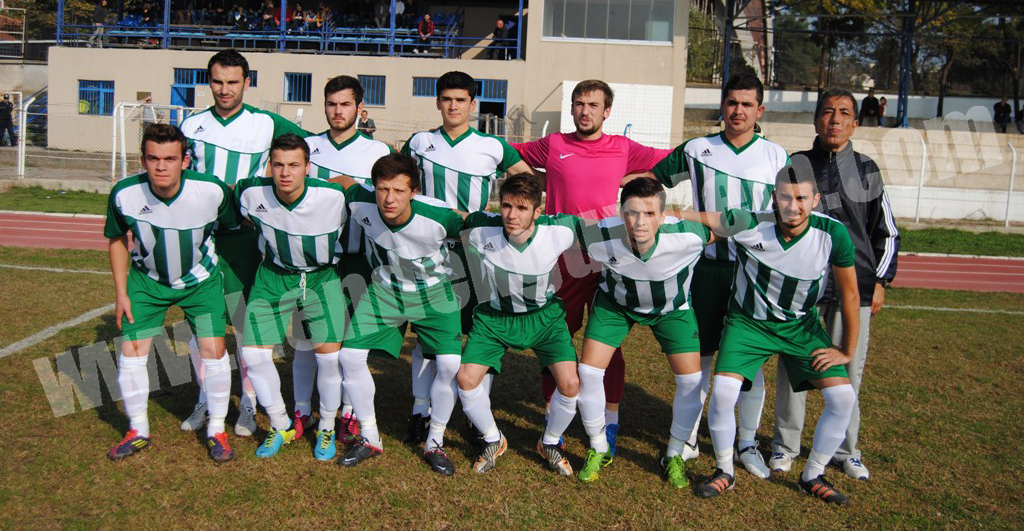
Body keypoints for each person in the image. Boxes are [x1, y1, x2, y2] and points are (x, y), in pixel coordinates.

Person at [638, 74, 788, 477]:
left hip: (753, 273)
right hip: (705, 270)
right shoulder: (696, 149)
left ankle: (747, 443)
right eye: (732, 102)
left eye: (747, 104)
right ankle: (688, 438)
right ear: (722, 106)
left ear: (760, 110)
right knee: (698, 359)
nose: (738, 110)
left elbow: (790, 208)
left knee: (750, 364)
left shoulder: (776, 155)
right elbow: (651, 182)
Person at [512, 79, 671, 458]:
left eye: (593, 105)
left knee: (606, 342)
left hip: (607, 258)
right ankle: (552, 416)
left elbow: (671, 160)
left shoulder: (623, 148)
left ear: (607, 111)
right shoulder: (554, 145)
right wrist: (539, 181)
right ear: (572, 108)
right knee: (555, 339)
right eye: (580, 104)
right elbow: (505, 153)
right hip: (563, 260)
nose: (585, 111)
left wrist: (635, 180)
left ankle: (610, 419)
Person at [691, 164, 860, 506]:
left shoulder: (833, 234)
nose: (792, 207)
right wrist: (651, 214)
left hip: (801, 327)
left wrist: (847, 350)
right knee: (723, 394)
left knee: (843, 399)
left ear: (816, 199)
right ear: (773, 197)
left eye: (801, 198)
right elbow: (699, 217)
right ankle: (725, 470)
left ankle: (813, 474)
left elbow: (850, 294)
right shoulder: (750, 223)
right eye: (785, 197)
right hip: (748, 324)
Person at [178, 50, 310, 438]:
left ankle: (249, 404)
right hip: (202, 239)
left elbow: (311, 149)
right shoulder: (191, 125)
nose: (225, 89)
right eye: (217, 82)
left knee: (245, 327)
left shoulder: (266, 123)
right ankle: (207, 398)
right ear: (209, 82)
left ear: (247, 83)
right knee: (202, 326)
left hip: (249, 241)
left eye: (233, 82)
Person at [770, 89, 900, 481]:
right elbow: (775, 217)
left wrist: (881, 280)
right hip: (801, 289)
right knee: (795, 368)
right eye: (827, 112)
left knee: (849, 369)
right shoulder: (795, 164)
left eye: (844, 113)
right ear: (816, 120)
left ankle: (846, 451)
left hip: (853, 289)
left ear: (855, 123)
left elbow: (886, 232)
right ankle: (785, 446)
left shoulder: (867, 170)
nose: (835, 119)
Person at [399, 71, 533, 447]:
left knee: (479, 336)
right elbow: (397, 182)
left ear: (473, 105)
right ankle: (421, 412)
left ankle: (477, 415)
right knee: (429, 338)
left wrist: (505, 217)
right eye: (447, 99)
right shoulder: (419, 143)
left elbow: (528, 183)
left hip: (476, 252)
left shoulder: (492, 146)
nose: (453, 106)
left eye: (461, 100)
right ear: (437, 102)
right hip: (427, 252)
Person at [104, 124, 238, 463]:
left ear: (185, 160)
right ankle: (138, 430)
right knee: (132, 353)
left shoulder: (211, 191)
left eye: (169, 159)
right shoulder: (124, 194)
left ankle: (217, 429)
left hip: (200, 282)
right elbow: (117, 240)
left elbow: (234, 227)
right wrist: (121, 293)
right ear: (143, 160)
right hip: (147, 283)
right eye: (153, 158)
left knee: (214, 350)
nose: (161, 166)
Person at [574, 178, 713, 487]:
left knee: (691, 381)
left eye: (650, 213)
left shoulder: (688, 236)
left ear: (663, 216)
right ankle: (599, 446)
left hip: (671, 309)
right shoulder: (599, 234)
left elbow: (730, 225)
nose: (640, 222)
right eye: (632, 212)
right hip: (616, 306)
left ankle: (674, 453)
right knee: (589, 372)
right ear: (620, 212)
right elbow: (557, 230)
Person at [333, 153, 466, 475]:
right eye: (382, 189)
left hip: (434, 291)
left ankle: (435, 442)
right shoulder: (362, 200)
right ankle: (369, 436)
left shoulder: (437, 216)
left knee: (450, 365)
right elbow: (341, 183)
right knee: (349, 356)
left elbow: (472, 223)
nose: (389, 199)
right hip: (385, 289)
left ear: (414, 191)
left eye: (398, 190)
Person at [456, 174, 583, 476]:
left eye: (522, 208)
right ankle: (493, 438)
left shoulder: (560, 230)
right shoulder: (481, 227)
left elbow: (610, 229)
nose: (512, 215)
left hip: (544, 319)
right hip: (494, 319)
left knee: (570, 384)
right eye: (506, 206)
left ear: (538, 211)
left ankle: (549, 442)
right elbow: (448, 218)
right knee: (466, 379)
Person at [234, 134, 349, 460]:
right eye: (279, 165)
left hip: (321, 278)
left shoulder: (333, 196)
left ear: (308, 167)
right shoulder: (251, 192)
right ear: (269, 166)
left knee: (329, 359)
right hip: (273, 277)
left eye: (294, 165)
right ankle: (281, 422)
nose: (285, 173)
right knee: (253, 354)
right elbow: (233, 204)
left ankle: (326, 426)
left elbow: (353, 186)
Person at [293, 75, 393, 446]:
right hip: (317, 261)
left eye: (345, 104)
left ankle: (349, 412)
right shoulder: (307, 147)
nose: (338, 111)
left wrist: (350, 185)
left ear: (359, 108)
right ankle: (303, 410)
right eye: (332, 104)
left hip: (361, 259)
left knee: (352, 343)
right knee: (307, 339)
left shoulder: (378, 151)